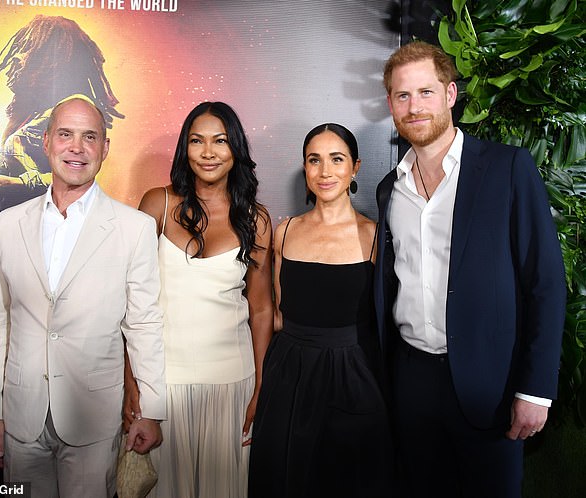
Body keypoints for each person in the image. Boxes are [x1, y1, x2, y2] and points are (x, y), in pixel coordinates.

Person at [374, 41, 566, 498]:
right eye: (403, 96)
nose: (414, 106)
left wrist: (535, 391)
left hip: (490, 384)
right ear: (390, 105)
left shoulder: (508, 168)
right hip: (412, 381)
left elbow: (545, 283)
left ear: (450, 94)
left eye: (425, 92)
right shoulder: (389, 189)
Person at [0, 97, 165, 497]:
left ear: (105, 148)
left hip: (94, 419)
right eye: (65, 134)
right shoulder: (10, 225)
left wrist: (152, 410)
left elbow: (145, 324)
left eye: (89, 137)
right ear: (46, 143)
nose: (76, 148)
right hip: (20, 418)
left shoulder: (135, 229)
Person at [0, 15, 122, 462]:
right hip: (15, 248)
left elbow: (53, 186)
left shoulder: (62, 115)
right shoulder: (33, 116)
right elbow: (26, 187)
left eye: (28, 49)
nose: (18, 60)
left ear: (50, 55)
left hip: (46, 256)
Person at [123, 101, 273, 498]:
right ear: (184, 149)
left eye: (220, 141)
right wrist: (131, 380)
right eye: (197, 141)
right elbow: (132, 303)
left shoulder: (255, 220)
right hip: (162, 387)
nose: (208, 152)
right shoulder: (158, 203)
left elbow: (260, 309)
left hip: (232, 387)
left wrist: (261, 385)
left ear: (235, 149)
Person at [248, 124, 394, 498]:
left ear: (355, 167)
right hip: (289, 377)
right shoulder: (285, 232)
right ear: (305, 167)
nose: (325, 171)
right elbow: (277, 312)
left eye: (337, 159)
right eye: (315, 160)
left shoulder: (375, 236)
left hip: (356, 377)